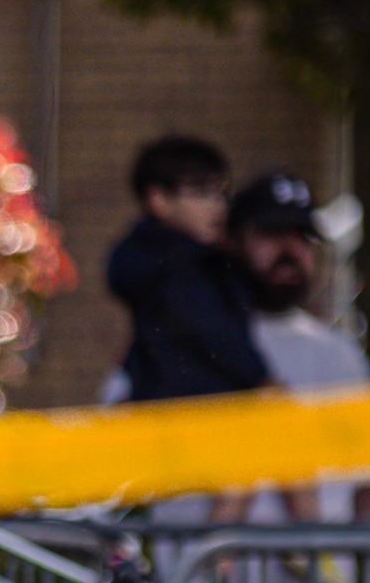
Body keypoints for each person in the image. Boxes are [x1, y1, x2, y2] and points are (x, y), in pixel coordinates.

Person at [225, 169, 370, 583]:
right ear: (233, 242)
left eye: (301, 236)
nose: (289, 250)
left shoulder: (341, 356)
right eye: (271, 233)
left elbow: (369, 482)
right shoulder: (199, 344)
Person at [106, 133, 268, 405]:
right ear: (158, 200)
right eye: (201, 192)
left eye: (221, 193)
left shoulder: (148, 262)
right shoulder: (184, 269)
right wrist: (262, 382)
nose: (217, 206)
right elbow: (221, 341)